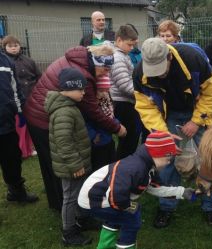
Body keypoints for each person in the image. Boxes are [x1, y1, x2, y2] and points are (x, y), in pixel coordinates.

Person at [133, 38, 212, 227]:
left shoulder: (193, 59)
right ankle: (167, 206)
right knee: (167, 161)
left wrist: (196, 121)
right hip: (169, 115)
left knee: (208, 159)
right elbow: (145, 107)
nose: (158, 75)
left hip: (198, 110)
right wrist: (163, 133)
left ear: (169, 57)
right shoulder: (139, 73)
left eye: (161, 68)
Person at [24, 43, 127, 211]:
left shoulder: (79, 59)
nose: (106, 73)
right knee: (59, 166)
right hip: (43, 118)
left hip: (36, 112)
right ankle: (69, 209)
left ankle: (57, 204)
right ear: (98, 63)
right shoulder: (83, 76)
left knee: (49, 163)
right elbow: (92, 110)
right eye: (106, 69)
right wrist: (117, 128)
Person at [78, 131, 195, 249]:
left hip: (104, 197)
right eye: (168, 157)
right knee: (132, 218)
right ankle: (125, 246)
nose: (169, 162)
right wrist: (127, 208)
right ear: (156, 154)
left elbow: (155, 188)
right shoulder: (135, 168)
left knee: (118, 216)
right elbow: (116, 194)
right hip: (94, 200)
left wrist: (182, 192)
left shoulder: (148, 166)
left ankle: (105, 246)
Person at [45, 67, 92, 246]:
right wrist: (75, 165)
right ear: (68, 88)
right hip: (71, 166)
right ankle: (68, 232)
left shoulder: (69, 106)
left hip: (76, 163)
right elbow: (64, 143)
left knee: (79, 192)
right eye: (80, 89)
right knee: (70, 197)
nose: (83, 92)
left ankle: (81, 220)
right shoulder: (64, 111)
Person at [0, 51, 38, 203]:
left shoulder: (6, 61)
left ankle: (16, 191)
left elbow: (15, 89)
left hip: (6, 123)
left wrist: (21, 112)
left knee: (12, 159)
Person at [2, 35, 41, 158]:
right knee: (19, 127)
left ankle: (29, 149)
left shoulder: (29, 61)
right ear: (4, 47)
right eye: (10, 46)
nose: (13, 48)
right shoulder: (5, 62)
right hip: (14, 101)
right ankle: (21, 150)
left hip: (30, 98)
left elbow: (39, 77)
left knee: (30, 126)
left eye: (16, 45)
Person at [110, 25, 141, 159]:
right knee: (128, 140)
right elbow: (125, 85)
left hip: (126, 102)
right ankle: (122, 166)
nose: (132, 48)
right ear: (119, 41)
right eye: (129, 44)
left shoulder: (123, 55)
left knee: (131, 139)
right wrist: (142, 94)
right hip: (123, 103)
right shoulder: (118, 58)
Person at [86, 75, 117, 171]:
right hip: (98, 143)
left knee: (111, 164)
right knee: (99, 167)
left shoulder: (106, 101)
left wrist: (117, 124)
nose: (103, 93)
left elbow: (111, 117)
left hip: (108, 139)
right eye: (100, 91)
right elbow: (86, 122)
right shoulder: (91, 105)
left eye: (106, 90)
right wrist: (93, 135)